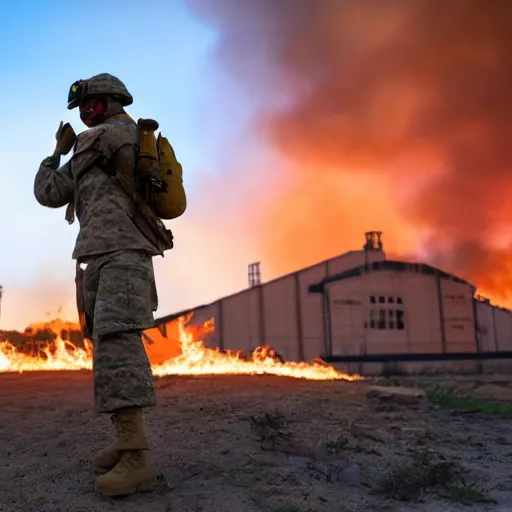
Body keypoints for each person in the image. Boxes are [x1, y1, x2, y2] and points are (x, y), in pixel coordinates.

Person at [33, 73, 174, 498]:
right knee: (108, 346)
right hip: (98, 257)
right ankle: (125, 438)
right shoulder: (88, 145)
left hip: (122, 256)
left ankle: (137, 458)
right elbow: (50, 193)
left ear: (111, 101)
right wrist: (57, 154)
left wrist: (65, 151)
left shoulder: (114, 136)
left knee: (119, 347)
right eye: (81, 108)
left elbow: (49, 191)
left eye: (90, 104)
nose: (83, 113)